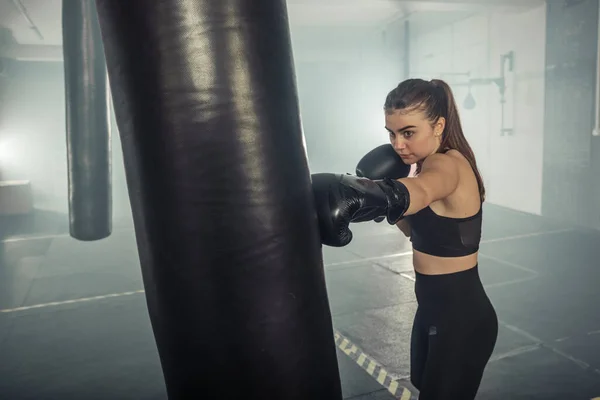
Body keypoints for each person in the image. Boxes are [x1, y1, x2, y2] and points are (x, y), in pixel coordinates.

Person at [311, 78, 498, 399]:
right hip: (432, 310)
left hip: (461, 319)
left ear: (438, 125)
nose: (398, 144)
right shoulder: (424, 167)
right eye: (391, 133)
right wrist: (386, 204)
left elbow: (423, 189)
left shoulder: (446, 164)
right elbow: (420, 233)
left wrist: (374, 192)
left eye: (408, 132)